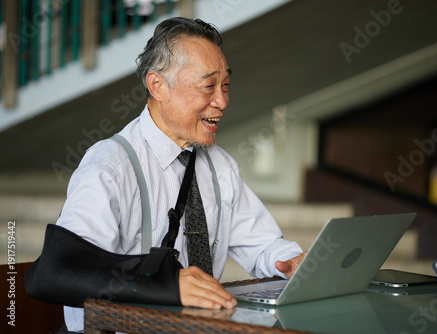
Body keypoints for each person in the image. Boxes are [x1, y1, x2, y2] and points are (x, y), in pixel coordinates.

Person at [56, 17, 305, 333]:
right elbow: (73, 271)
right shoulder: (109, 167)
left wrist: (293, 261)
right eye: (208, 86)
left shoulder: (221, 166)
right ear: (158, 85)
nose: (222, 101)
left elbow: (262, 243)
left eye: (225, 85)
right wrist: (163, 287)